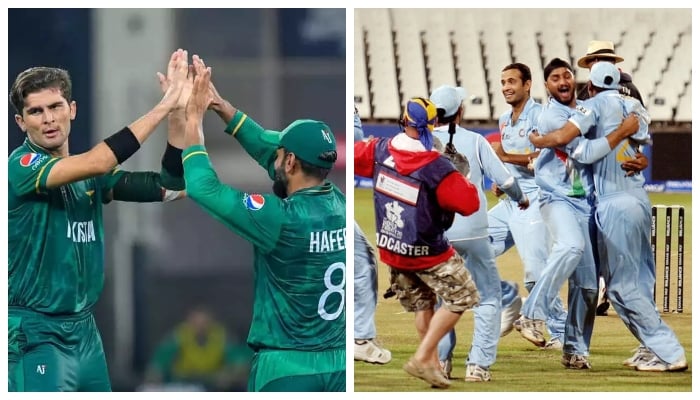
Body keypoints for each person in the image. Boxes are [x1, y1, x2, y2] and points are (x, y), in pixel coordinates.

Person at [7, 49, 189, 392]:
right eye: (35, 111)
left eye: (55, 107)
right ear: (21, 122)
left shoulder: (92, 175)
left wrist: (177, 115)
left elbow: (172, 187)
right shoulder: (19, 167)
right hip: (35, 332)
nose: (48, 119)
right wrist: (162, 106)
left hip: (85, 333)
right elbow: (98, 161)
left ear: (71, 110)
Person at [181, 56, 345, 392]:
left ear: (291, 160)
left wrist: (193, 119)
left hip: (287, 367)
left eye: (281, 150)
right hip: (340, 365)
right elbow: (269, 147)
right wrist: (223, 107)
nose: (274, 151)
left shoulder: (279, 217)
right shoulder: (339, 203)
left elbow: (202, 187)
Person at [530, 61, 688, 372]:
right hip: (639, 199)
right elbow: (639, 145)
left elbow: (580, 149)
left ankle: (668, 351)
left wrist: (538, 141)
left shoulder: (592, 106)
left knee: (619, 287)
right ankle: (651, 349)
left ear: (589, 86)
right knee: (641, 280)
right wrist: (637, 155)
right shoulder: (636, 108)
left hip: (612, 203)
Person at [355, 97, 481, 388]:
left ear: (403, 121)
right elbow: (469, 203)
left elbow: (355, 158)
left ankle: (433, 367)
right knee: (463, 296)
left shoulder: (378, 150)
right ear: (433, 125)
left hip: (393, 250)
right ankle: (424, 357)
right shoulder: (436, 166)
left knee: (424, 305)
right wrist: (462, 176)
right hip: (427, 252)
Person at [522, 58, 638, 369]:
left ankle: (574, 350)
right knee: (570, 246)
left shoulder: (589, 109)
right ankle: (531, 314)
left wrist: (637, 158)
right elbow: (584, 150)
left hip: (588, 203)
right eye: (555, 77)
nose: (562, 81)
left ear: (576, 80)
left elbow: (619, 148)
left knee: (587, 286)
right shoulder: (550, 117)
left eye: (567, 75)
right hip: (557, 197)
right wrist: (621, 131)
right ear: (547, 86)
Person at [429, 85, 528, 382]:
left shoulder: (423, 143)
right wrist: (521, 198)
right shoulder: (476, 141)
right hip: (472, 229)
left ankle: (442, 362)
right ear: (460, 110)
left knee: (444, 297)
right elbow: (505, 179)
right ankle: (478, 365)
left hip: (437, 233)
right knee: (487, 297)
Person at [488, 63, 568, 348]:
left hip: (534, 200)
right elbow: (506, 159)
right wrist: (502, 180)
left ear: (527, 85)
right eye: (503, 82)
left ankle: (562, 333)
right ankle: (509, 304)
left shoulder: (542, 116)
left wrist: (506, 157)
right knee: (472, 246)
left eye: (512, 81)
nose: (506, 87)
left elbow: (545, 159)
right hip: (512, 199)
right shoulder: (503, 119)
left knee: (536, 273)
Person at [576, 39, 648, 316]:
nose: (599, 64)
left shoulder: (628, 89)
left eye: (605, 58)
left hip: (617, 178)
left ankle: (616, 290)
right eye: (595, 59)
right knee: (595, 240)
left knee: (616, 241)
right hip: (593, 177)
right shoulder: (587, 92)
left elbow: (638, 131)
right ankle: (600, 287)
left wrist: (641, 157)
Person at [353, 108, 392, 365]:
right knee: (362, 265)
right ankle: (360, 339)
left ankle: (357, 336)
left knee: (361, 261)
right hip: (327, 205)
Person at [144, 307, 252, 391]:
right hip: (182, 384)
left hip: (213, 385)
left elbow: (239, 363)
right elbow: (158, 364)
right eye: (196, 322)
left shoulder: (222, 336)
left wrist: (231, 375)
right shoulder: (178, 336)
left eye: (204, 322)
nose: (200, 327)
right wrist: (155, 377)